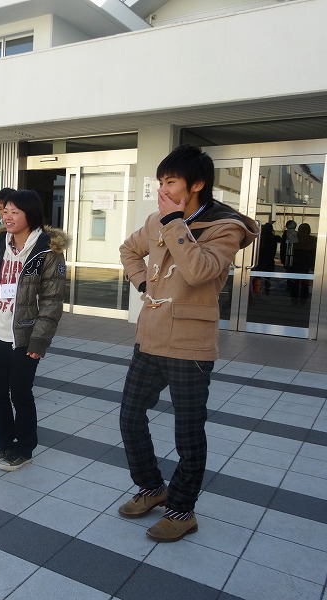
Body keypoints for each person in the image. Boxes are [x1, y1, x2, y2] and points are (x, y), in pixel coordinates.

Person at [118, 145, 259, 542]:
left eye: (171, 182)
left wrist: (174, 222)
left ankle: (182, 510)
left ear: (196, 184)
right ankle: (151, 487)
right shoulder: (156, 220)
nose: (162, 190)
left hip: (190, 344)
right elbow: (129, 250)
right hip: (150, 338)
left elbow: (199, 272)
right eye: (160, 182)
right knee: (130, 417)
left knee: (188, 432)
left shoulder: (225, 228)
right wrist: (143, 284)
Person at [0, 189, 69, 471]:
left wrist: (39, 341)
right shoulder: (0, 243)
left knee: (20, 394)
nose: (7, 216)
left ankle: (24, 448)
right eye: (5, 211)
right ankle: (4, 442)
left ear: (31, 215)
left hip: (24, 335)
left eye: (15, 212)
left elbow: (52, 302)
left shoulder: (47, 251)